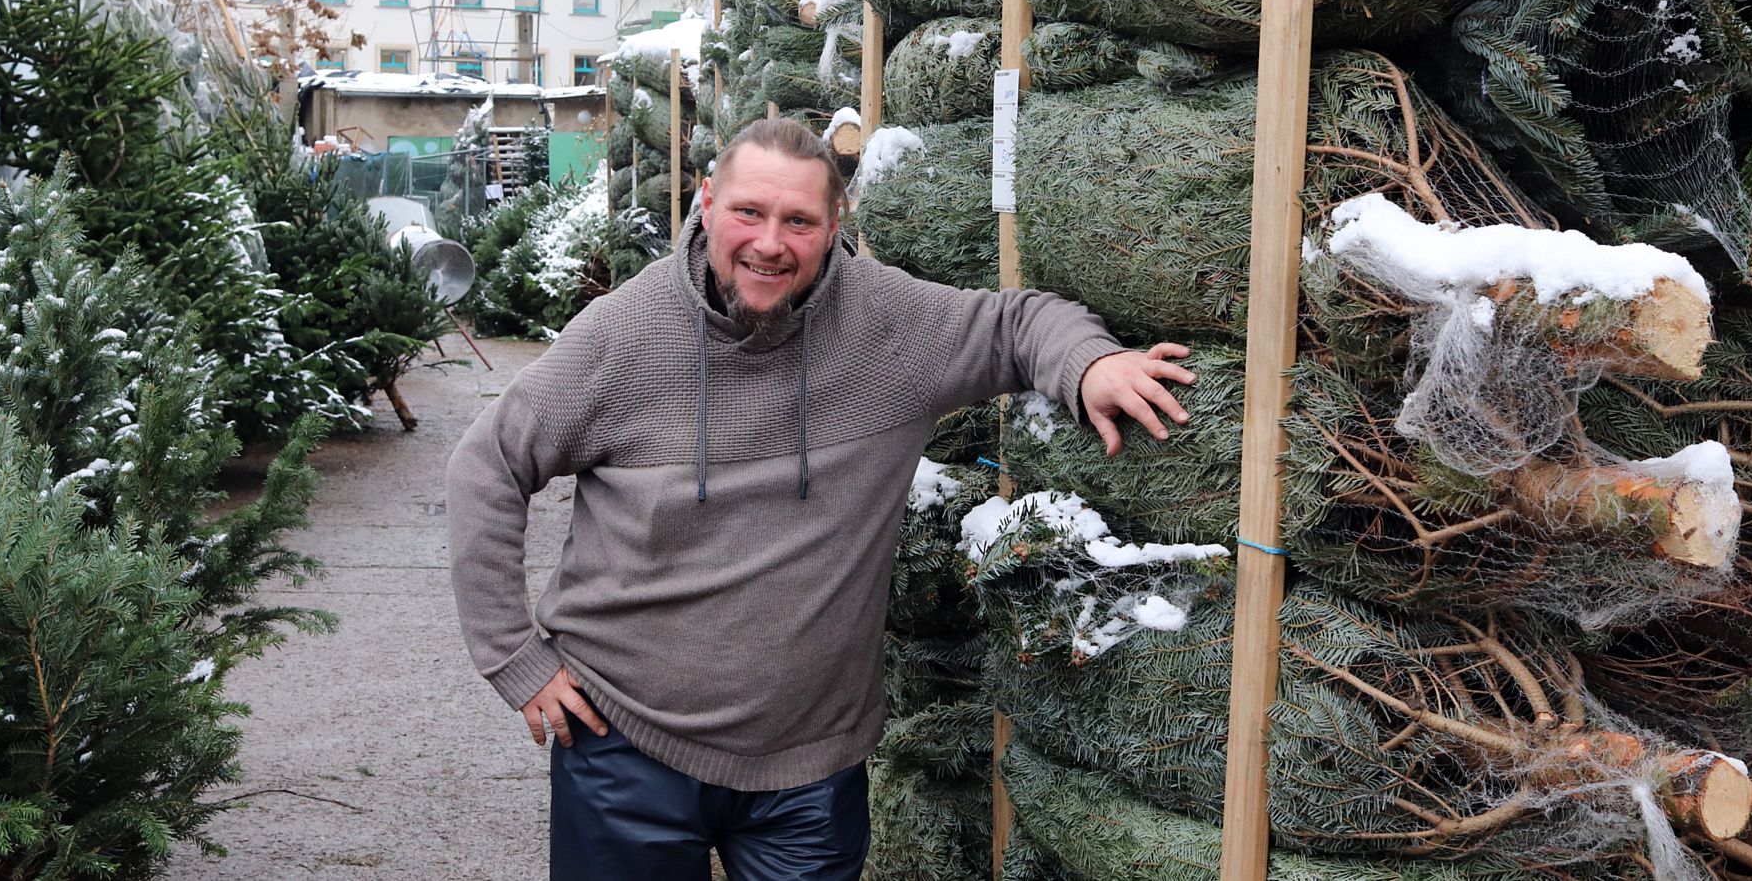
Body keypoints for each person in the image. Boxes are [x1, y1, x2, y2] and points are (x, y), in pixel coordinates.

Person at [447, 118, 1194, 880]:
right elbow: (487, 464)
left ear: (835, 225)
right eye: (748, 212)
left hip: (810, 768)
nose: (770, 242)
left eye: (798, 221)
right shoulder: (622, 336)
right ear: (706, 202)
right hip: (625, 741)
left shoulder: (891, 327)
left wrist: (1089, 363)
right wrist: (516, 657)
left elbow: (1017, 321)